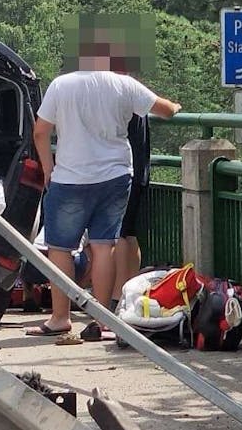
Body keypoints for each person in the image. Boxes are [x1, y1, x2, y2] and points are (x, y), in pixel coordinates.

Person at [27, 23, 180, 342]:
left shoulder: (61, 85)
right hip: (114, 176)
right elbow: (165, 110)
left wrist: (48, 168)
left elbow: (41, 131)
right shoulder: (124, 84)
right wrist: (176, 106)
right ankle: (104, 319)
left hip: (70, 176)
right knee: (103, 247)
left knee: (60, 249)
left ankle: (60, 318)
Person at [114, 114, 151, 296]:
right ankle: (131, 292)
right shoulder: (136, 96)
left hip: (123, 173)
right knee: (130, 233)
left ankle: (117, 295)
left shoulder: (121, 95)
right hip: (140, 173)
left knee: (118, 234)